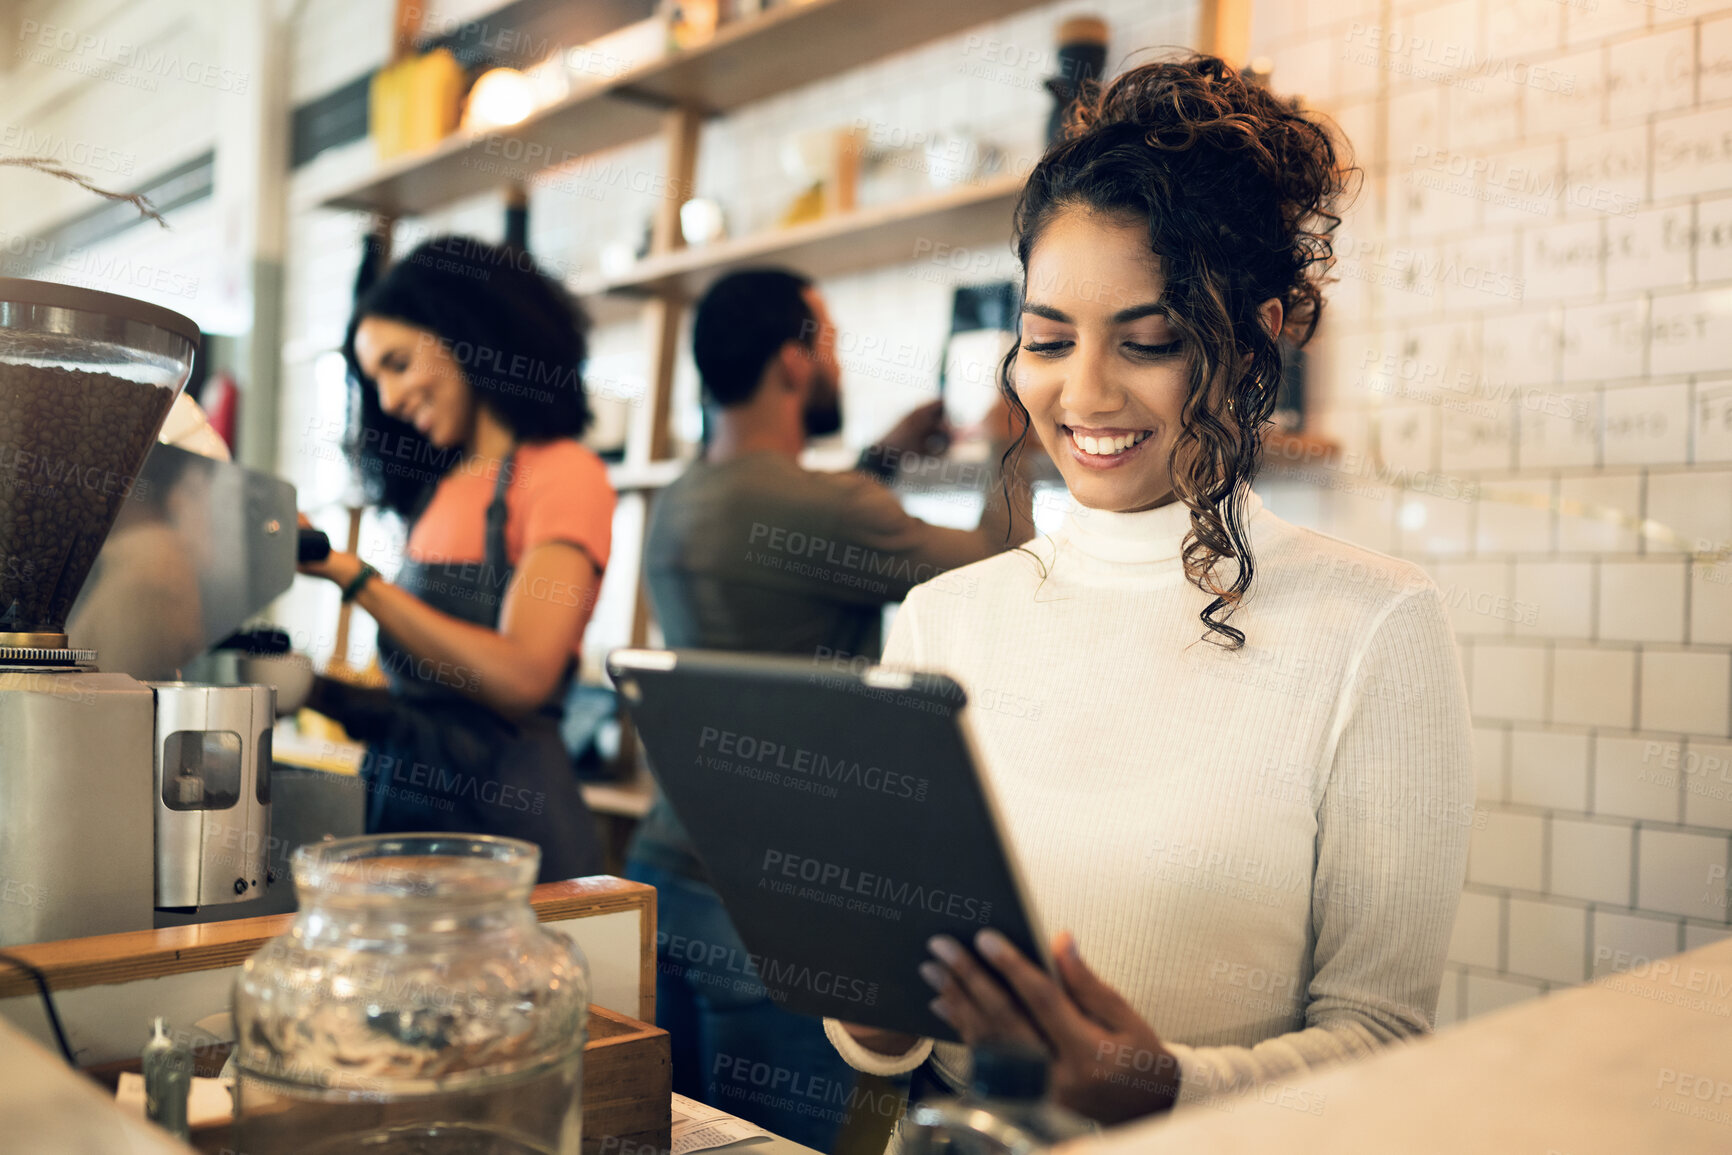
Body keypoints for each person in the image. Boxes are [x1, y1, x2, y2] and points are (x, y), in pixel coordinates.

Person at [828, 55, 1474, 1128]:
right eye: (1045, 340)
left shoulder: (1373, 626)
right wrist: (881, 1011)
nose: (1082, 392)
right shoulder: (947, 617)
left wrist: (1149, 1084)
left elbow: (1381, 1043)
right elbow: (879, 1027)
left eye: (1150, 341)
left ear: (1257, 333)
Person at [625, 267, 1044, 1149]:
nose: (839, 367)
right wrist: (1016, 443)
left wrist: (880, 462)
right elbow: (996, 566)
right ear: (792, 358)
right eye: (832, 344)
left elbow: (793, 537)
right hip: (775, 911)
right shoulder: (831, 509)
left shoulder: (679, 501)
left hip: (666, 877)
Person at [298, 236, 612, 883]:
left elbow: (521, 676)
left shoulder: (563, 474)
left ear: (463, 334)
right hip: (405, 828)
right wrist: (312, 689)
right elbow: (426, 706)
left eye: (399, 363)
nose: (387, 399)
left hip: (512, 838)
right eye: (374, 378)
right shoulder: (440, 490)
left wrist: (352, 576)